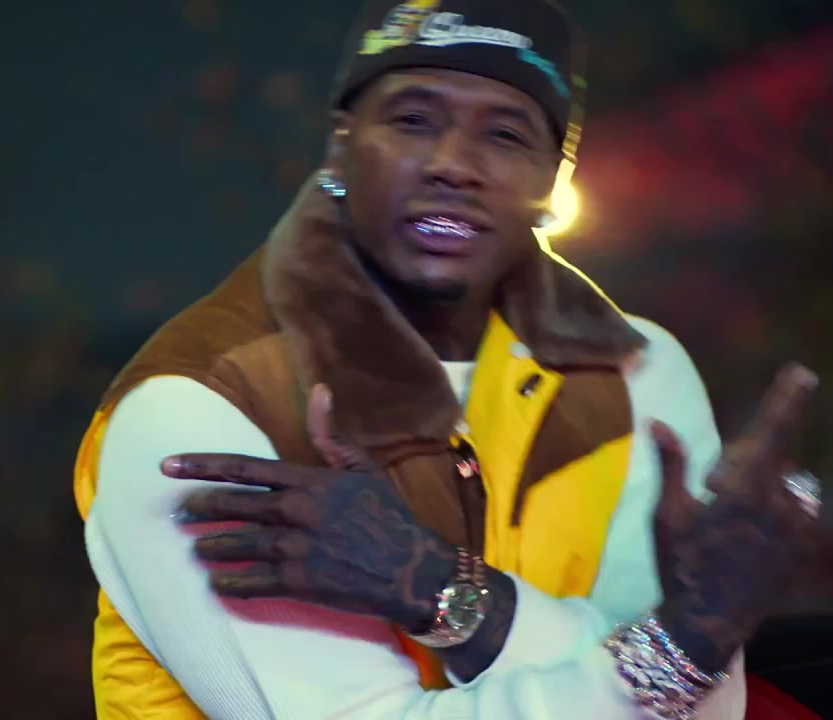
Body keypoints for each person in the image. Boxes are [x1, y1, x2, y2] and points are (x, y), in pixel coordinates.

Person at [72, 0, 827, 717]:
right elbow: (677, 680)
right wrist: (682, 645)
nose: (453, 164)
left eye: (505, 135)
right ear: (340, 145)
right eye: (412, 120)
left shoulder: (634, 374)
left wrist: (442, 591)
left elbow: (707, 708)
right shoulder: (200, 406)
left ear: (554, 179)